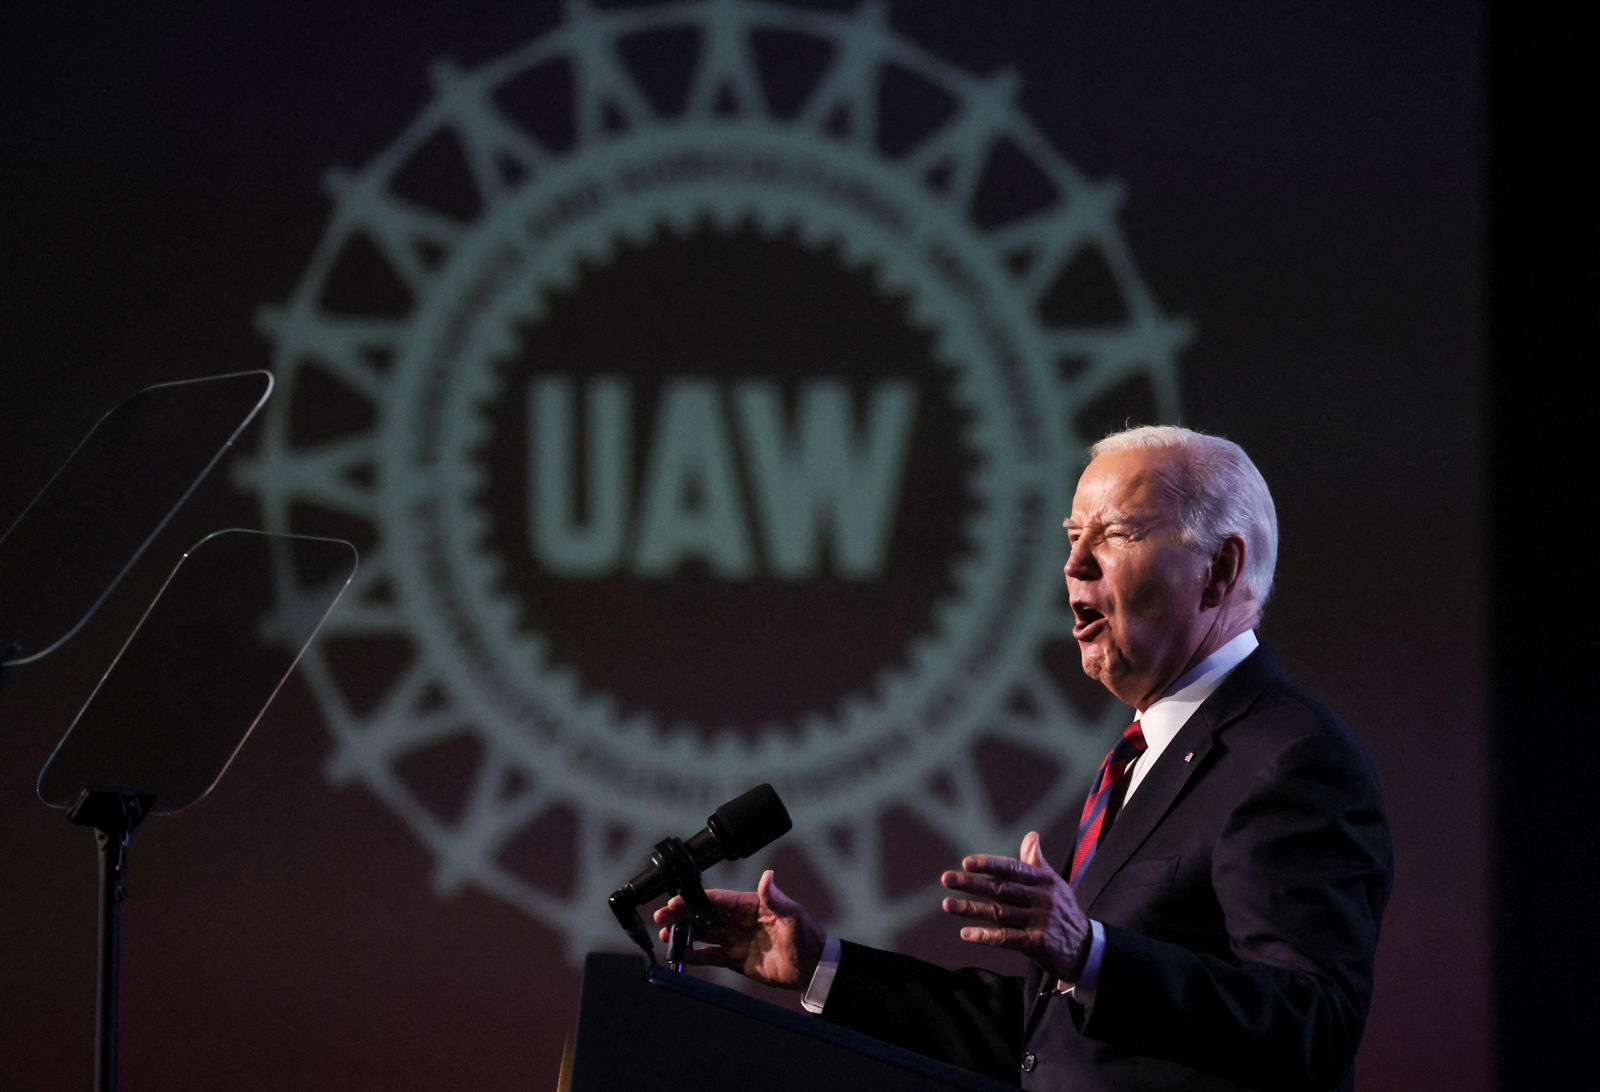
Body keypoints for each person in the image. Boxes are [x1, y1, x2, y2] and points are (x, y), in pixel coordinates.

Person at [655, 425, 1393, 1090]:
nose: (1074, 565)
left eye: (1115, 534)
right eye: (1073, 534)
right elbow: (1046, 1044)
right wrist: (821, 965)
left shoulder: (1287, 758)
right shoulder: (1144, 758)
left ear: (1220, 569)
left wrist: (1093, 953)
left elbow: (1313, 1026)